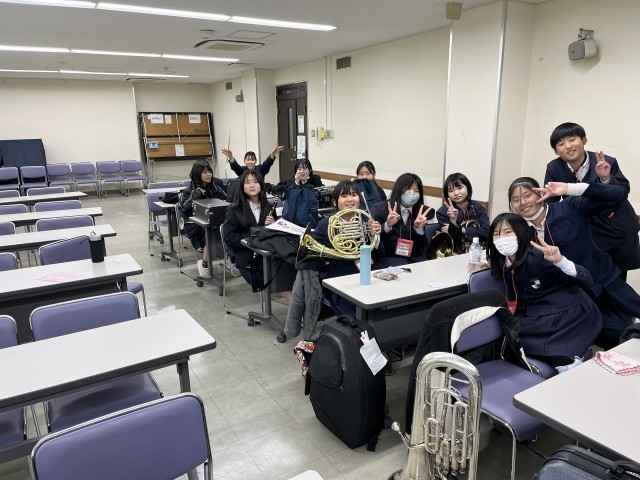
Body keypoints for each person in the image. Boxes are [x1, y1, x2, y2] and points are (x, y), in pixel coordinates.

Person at [508, 176, 640, 348]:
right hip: (580, 299)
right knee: (621, 337)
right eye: (516, 200)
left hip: (607, 280)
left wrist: (570, 188)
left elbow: (617, 195)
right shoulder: (521, 235)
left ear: (540, 193)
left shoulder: (568, 207)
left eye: (527, 195)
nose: (523, 202)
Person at [487, 213, 602, 366]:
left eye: (508, 232)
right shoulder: (501, 260)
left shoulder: (539, 256)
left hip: (570, 311)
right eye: (496, 234)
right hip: (539, 311)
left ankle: (568, 362)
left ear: (521, 232)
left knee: (521, 339)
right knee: (509, 336)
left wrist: (561, 261)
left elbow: (587, 280)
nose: (502, 238)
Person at [544, 122, 640, 280]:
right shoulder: (554, 168)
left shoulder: (606, 161)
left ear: (584, 140)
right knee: (589, 281)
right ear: (556, 151)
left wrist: (605, 178)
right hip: (587, 232)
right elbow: (551, 204)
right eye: (561, 144)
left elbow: (622, 192)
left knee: (616, 281)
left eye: (572, 140)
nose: (568, 146)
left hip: (616, 228)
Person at [312, 180, 384, 317]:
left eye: (354, 195)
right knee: (358, 310)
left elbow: (380, 255)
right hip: (342, 277)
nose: (350, 199)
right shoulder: (326, 224)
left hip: (369, 273)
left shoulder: (366, 220)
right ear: (334, 202)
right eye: (344, 196)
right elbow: (315, 252)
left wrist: (374, 236)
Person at [221, 170, 278, 291]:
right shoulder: (234, 209)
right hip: (247, 258)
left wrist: (274, 224)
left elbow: (276, 234)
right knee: (278, 281)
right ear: (242, 186)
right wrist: (251, 239)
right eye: (247, 182)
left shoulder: (268, 207)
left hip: (267, 254)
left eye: (255, 182)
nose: (252, 185)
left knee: (286, 271)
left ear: (261, 185)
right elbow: (228, 236)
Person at [177, 159, 226, 278]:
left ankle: (233, 260)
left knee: (228, 227)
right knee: (211, 231)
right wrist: (196, 195)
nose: (209, 175)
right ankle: (205, 264)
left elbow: (226, 199)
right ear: (197, 174)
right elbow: (183, 208)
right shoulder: (189, 191)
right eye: (205, 172)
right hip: (193, 225)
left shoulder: (214, 188)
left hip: (212, 221)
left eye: (210, 172)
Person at [370, 173, 433, 264]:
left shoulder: (421, 212)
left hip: (413, 260)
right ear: (399, 189)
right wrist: (387, 226)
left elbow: (422, 248)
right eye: (408, 189)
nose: (412, 194)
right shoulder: (379, 209)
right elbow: (373, 243)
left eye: (417, 191)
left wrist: (419, 230)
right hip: (387, 259)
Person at [435, 172, 489, 253]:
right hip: (455, 253)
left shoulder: (477, 207)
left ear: (467, 188)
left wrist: (462, 229)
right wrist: (453, 221)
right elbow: (452, 241)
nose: (456, 193)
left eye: (460, 188)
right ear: (447, 194)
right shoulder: (442, 212)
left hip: (478, 251)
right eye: (451, 191)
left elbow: (486, 232)